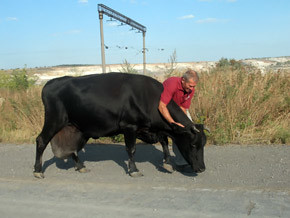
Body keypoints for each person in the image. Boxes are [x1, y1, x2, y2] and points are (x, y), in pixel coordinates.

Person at [158, 69, 199, 171]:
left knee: (188, 132)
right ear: (183, 80)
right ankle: (170, 159)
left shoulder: (191, 89)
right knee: (176, 132)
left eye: (194, 86)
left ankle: (183, 161)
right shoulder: (172, 83)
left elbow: (183, 108)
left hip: (178, 109)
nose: (192, 88)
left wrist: (188, 124)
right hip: (164, 107)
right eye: (190, 86)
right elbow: (162, 106)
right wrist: (173, 123)